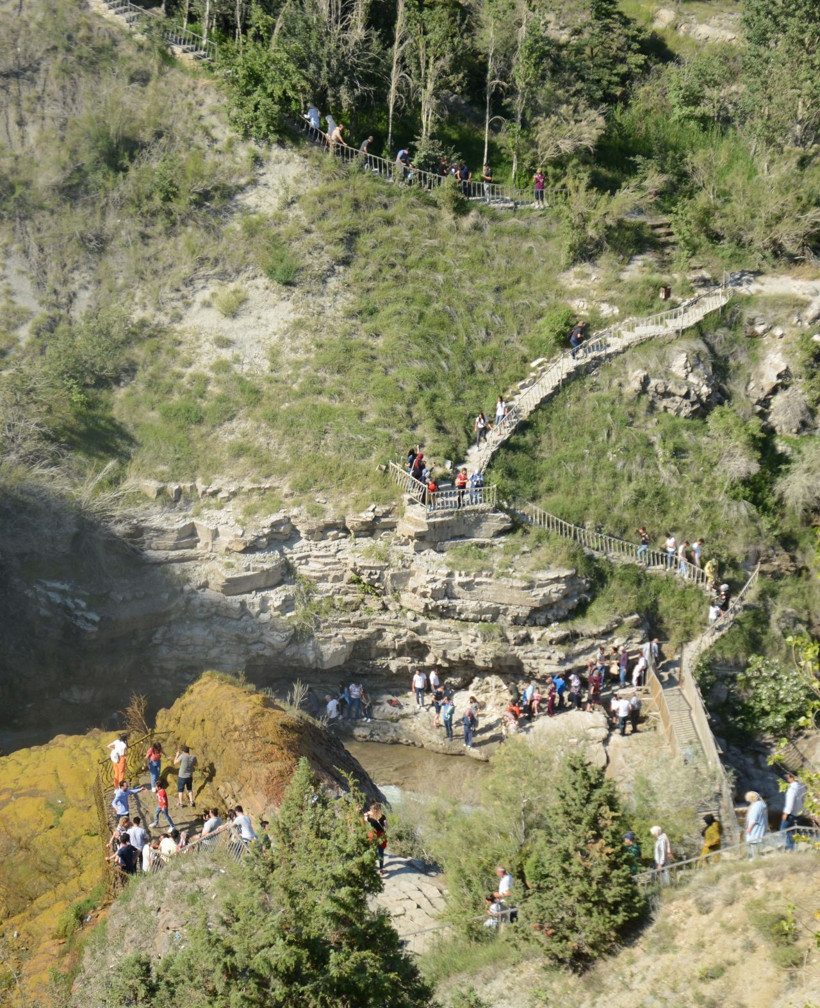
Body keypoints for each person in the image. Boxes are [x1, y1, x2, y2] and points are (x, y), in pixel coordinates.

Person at [780, 772, 806, 851]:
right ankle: (795, 845)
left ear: (792, 778)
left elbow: (790, 802)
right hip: (799, 813)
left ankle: (792, 848)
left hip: (791, 813)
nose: (787, 779)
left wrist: (786, 813)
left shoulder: (792, 788)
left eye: (788, 777)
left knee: (783, 830)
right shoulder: (802, 786)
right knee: (794, 830)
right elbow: (803, 799)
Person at [364, 802, 388, 874]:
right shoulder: (383, 817)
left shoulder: (370, 818)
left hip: (372, 835)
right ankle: (381, 869)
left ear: (372, 810)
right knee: (380, 852)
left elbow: (365, 819)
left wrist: (368, 813)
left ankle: (371, 866)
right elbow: (386, 826)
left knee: (371, 850)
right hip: (380, 835)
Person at [744, 791, 767, 857]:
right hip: (761, 826)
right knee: (757, 842)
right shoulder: (761, 804)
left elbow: (753, 819)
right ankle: (757, 855)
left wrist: (749, 829)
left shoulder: (755, 807)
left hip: (755, 828)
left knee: (753, 842)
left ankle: (755, 857)